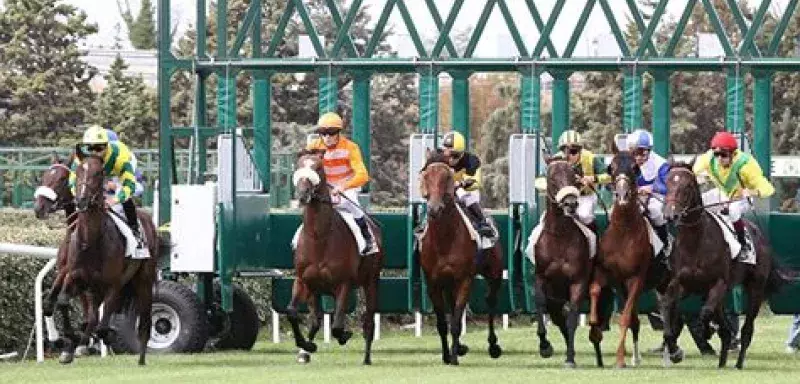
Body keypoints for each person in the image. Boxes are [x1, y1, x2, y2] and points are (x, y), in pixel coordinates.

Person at [306, 112, 378, 255]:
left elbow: (363, 175)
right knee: (309, 207)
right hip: (324, 187)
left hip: (346, 185)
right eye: (323, 133)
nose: (327, 137)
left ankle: (368, 239)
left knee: (352, 203)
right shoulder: (314, 146)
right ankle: (298, 241)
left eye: (331, 133)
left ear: (338, 132)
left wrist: (342, 187)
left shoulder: (350, 147)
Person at [69, 125, 146, 257]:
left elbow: (130, 187)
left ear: (107, 146)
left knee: (125, 197)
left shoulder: (120, 157)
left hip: (116, 169)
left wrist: (114, 200)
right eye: (89, 148)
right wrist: (79, 197)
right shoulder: (81, 155)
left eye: (99, 148)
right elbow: (72, 180)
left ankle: (136, 233)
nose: (94, 152)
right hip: (98, 173)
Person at [693, 131, 775, 256]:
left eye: (724, 155)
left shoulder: (746, 164)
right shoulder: (709, 158)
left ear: (733, 153)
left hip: (741, 197)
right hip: (721, 193)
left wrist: (751, 191)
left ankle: (743, 246)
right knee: (697, 204)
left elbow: (768, 188)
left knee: (733, 211)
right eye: (716, 154)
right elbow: (694, 172)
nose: (719, 158)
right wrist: (699, 177)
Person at [439, 131, 494, 237]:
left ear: (462, 153)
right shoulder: (437, 159)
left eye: (455, 155)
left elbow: (475, 182)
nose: (450, 159)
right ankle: (423, 225)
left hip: (464, 189)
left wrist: (462, 183)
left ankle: (482, 222)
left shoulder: (471, 161)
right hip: (445, 190)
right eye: (447, 154)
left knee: (465, 195)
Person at [555, 129, 611, 232]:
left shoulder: (590, 158)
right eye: (565, 151)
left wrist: (594, 178)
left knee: (584, 215)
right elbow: (541, 179)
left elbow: (609, 176)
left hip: (585, 196)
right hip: (562, 199)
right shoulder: (556, 160)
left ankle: (594, 241)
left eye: (573, 151)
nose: (569, 156)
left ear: (580, 150)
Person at [627, 129, 670, 250]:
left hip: (654, 196)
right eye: (635, 152)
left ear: (649, 151)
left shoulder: (661, 164)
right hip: (630, 195)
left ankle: (665, 243)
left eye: (642, 153)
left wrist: (651, 188)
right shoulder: (624, 161)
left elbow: (667, 187)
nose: (638, 157)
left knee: (655, 212)